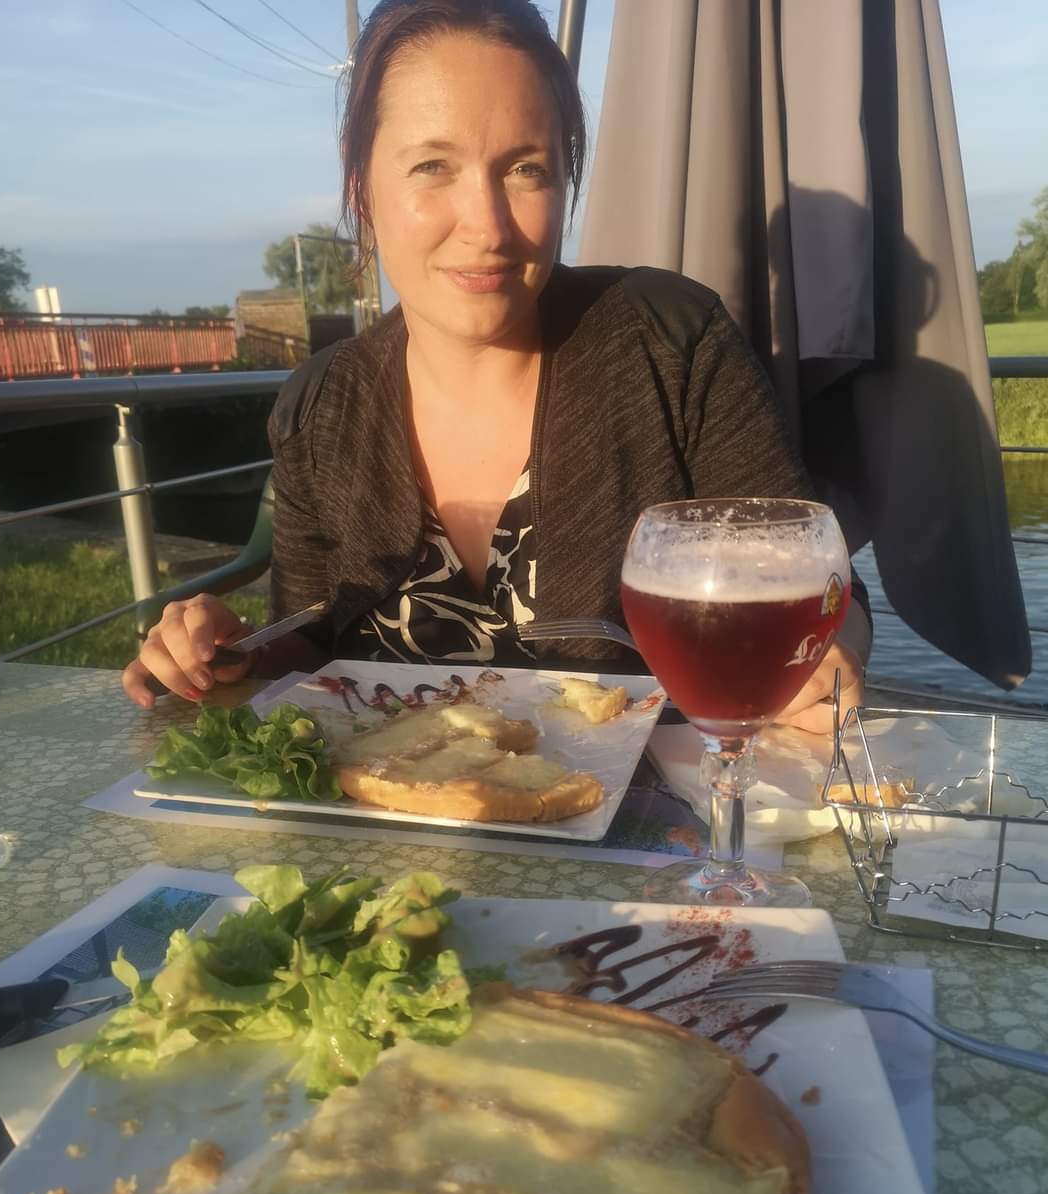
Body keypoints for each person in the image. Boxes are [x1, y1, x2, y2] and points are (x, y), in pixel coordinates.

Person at [122, 0, 871, 734]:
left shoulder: (670, 344)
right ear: (362, 188)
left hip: (665, 803)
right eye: (432, 166)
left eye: (525, 169)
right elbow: (312, 644)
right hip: (401, 806)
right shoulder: (321, 407)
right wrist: (232, 655)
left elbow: (826, 594)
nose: (486, 227)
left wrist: (824, 662)